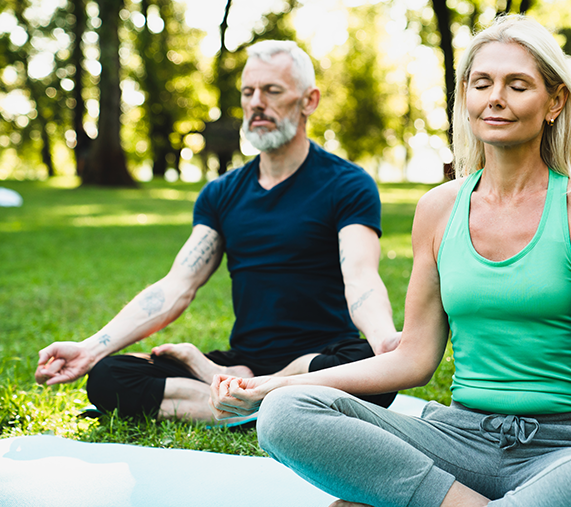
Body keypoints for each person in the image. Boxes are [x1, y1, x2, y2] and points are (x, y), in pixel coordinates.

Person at [209, 17, 571, 506]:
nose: (496, 99)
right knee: (285, 414)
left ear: (553, 102)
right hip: (457, 438)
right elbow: (413, 358)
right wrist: (277, 384)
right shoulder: (438, 209)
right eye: (481, 83)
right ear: (465, 97)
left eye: (518, 84)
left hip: (564, 446)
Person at [35, 40, 400, 423]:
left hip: (321, 359)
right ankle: (262, 401)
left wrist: (383, 340)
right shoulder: (221, 194)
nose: (256, 102)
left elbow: (361, 277)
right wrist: (91, 348)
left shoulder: (347, 184)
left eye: (272, 91)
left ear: (309, 100)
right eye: (248, 92)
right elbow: (177, 286)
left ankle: (243, 395)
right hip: (245, 361)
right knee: (110, 376)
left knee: (372, 368)